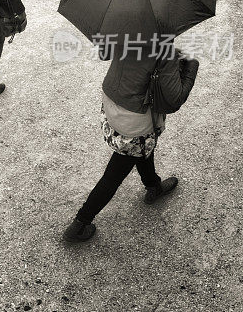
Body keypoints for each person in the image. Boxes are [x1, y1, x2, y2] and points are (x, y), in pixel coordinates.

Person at [63, 44, 200, 242]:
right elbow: (174, 99)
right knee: (115, 173)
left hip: (114, 104)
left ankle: (153, 185)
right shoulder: (162, 48)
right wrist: (191, 64)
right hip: (135, 121)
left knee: (142, 149)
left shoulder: (123, 29)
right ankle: (80, 223)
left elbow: (105, 53)